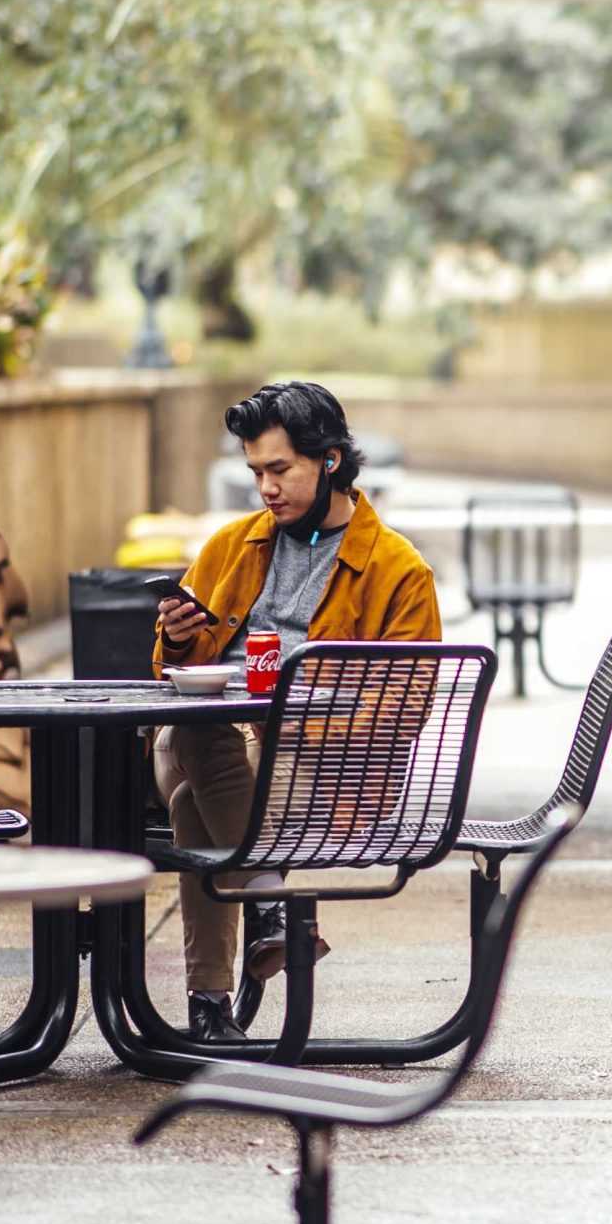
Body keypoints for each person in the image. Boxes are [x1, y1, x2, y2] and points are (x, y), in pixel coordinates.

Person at [152, 380, 441, 1041]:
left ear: (331, 460)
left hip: (321, 777)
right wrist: (174, 635)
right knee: (200, 729)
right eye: (255, 472)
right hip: (212, 747)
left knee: (190, 808)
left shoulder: (397, 570)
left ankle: (210, 1009)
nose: (266, 488)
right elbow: (170, 671)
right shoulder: (232, 545)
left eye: (280, 469)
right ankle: (269, 903)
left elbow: (402, 708)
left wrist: (281, 722)